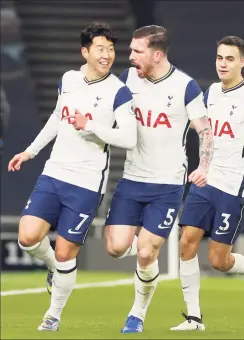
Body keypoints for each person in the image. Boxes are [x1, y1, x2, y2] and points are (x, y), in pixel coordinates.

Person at [8, 22, 137, 332]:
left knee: (67, 251)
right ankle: (52, 266)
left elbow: (129, 138)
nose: (107, 55)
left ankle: (52, 316)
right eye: (100, 49)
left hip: (86, 182)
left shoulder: (118, 92)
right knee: (27, 237)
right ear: (85, 51)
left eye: (111, 49)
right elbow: (57, 116)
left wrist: (91, 126)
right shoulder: (68, 79)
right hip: (54, 172)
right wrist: (31, 151)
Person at [170, 35, 244, 332]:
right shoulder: (211, 91)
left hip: (234, 189)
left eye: (229, 59)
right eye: (219, 58)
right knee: (186, 241)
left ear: (242, 62)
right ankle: (194, 318)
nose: (223, 64)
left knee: (218, 260)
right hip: (205, 180)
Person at [104, 25, 214, 333]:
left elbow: (205, 131)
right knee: (114, 248)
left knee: (145, 253)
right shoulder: (127, 80)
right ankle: (145, 244)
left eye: (136, 52)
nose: (130, 57)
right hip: (131, 179)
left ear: (157, 54)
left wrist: (204, 167)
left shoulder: (185, 86)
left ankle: (137, 314)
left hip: (167, 184)